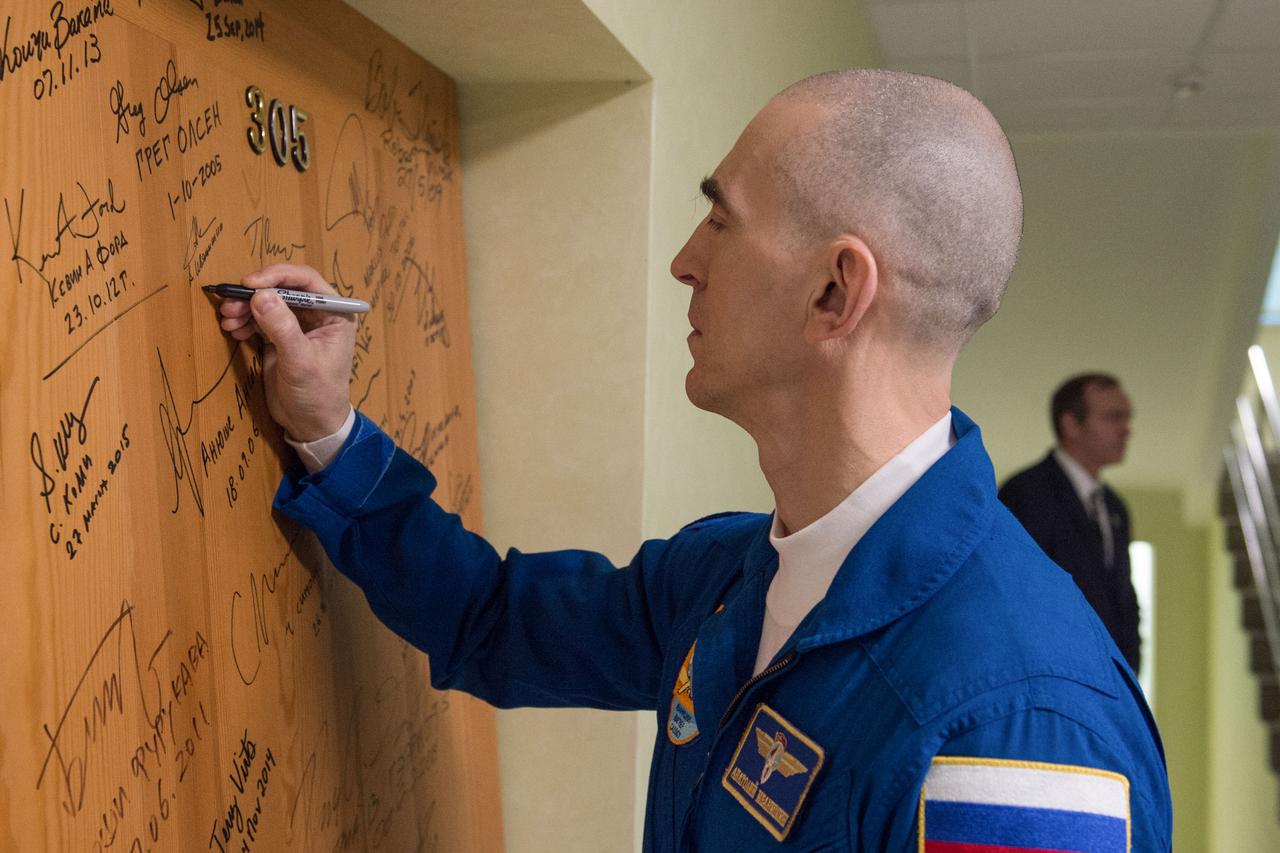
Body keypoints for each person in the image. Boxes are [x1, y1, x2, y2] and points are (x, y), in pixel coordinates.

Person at [217, 70, 1172, 851]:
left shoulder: (1018, 725)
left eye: (721, 219)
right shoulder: (729, 578)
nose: (684, 259)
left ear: (835, 292)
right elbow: (492, 618)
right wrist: (326, 428)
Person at [999, 374, 1141, 672]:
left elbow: (1123, 600)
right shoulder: (1026, 493)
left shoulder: (1116, 507)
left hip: (1110, 684)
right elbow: (1019, 598)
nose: (1126, 430)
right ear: (1071, 425)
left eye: (1127, 417)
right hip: (1052, 677)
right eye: (1113, 418)